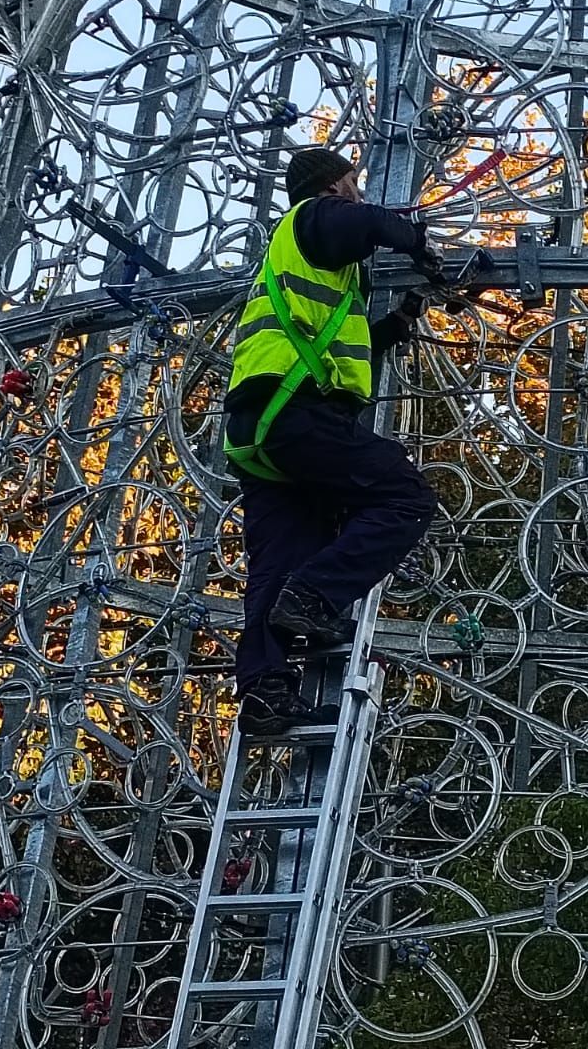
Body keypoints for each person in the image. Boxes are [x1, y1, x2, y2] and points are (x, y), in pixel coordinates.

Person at [223, 147, 441, 735]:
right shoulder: (313, 219)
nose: (360, 193)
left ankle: (265, 692)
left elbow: (338, 345)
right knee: (406, 497)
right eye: (353, 182)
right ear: (334, 187)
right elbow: (369, 223)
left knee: (277, 563)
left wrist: (398, 321)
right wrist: (419, 241)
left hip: (261, 426)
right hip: (295, 414)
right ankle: (315, 597)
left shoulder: (312, 266)